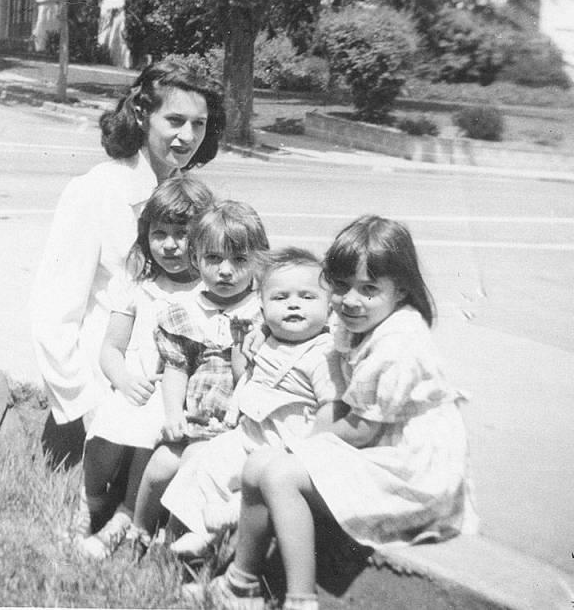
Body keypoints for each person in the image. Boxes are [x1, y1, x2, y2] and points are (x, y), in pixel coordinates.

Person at [184, 215, 478, 610]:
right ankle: (240, 585)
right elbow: (311, 320)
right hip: (376, 447)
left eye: (369, 289)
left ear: (401, 290)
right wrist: (263, 330)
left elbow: (361, 431)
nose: (351, 299)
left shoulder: (399, 344)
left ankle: (300, 599)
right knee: (258, 464)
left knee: (280, 473)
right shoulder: (361, 316)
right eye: (340, 286)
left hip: (408, 470)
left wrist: (297, 449)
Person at [31, 58, 225, 471]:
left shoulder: (188, 198)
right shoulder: (96, 191)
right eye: (175, 120)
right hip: (98, 402)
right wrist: (85, 407)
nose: (188, 136)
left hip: (165, 403)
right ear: (141, 114)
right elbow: (54, 312)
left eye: (199, 124)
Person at [161, 248, 343, 560]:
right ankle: (199, 528)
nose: (293, 304)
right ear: (262, 307)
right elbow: (246, 379)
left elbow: (331, 405)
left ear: (329, 307)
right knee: (208, 461)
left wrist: (310, 449)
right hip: (251, 432)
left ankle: (229, 515)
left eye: (307, 297)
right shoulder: (266, 340)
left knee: (258, 481)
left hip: (289, 441)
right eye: (280, 297)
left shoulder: (324, 353)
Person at [76, 175, 216, 559]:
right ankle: (91, 503)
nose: (169, 245)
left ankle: (125, 516)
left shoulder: (207, 291)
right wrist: (123, 380)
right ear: (146, 234)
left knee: (150, 446)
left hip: (177, 397)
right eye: (159, 233)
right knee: (103, 437)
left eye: (182, 234)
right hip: (133, 385)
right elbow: (111, 348)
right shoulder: (138, 283)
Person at [128, 200, 269, 551]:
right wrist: (173, 414)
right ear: (195, 259)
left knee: (195, 462)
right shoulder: (187, 313)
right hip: (195, 418)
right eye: (214, 259)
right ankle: (139, 529)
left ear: (258, 262)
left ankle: (176, 538)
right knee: (161, 465)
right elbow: (176, 367)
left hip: (236, 424)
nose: (226, 271)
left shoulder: (262, 313)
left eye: (239, 260)